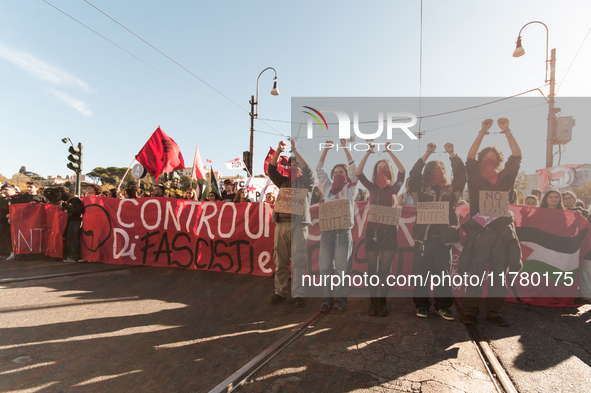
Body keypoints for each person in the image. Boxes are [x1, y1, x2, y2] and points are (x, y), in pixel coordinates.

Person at [459, 118, 523, 328]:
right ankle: (470, 312)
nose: (489, 160)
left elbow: (517, 157)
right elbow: (469, 157)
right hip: (480, 232)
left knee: (498, 276)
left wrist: (507, 131)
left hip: (501, 233)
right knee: (476, 275)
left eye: (493, 157)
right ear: (480, 161)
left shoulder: (506, 178)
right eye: (485, 157)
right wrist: (482, 132)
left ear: (499, 160)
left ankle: (494, 313)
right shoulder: (475, 178)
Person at [409, 142, 466, 321]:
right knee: (421, 273)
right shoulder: (420, 190)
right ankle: (422, 305)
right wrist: (427, 154)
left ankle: (443, 306)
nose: (438, 170)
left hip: (443, 240)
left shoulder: (451, 191)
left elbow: (462, 176)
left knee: (442, 274)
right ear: (428, 173)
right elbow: (414, 174)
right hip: (424, 239)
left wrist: (452, 154)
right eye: (434, 168)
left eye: (441, 167)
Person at [356, 142, 405, 317]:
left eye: (385, 168)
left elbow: (402, 171)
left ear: (389, 171)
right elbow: (358, 173)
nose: (382, 170)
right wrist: (368, 152)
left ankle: (383, 302)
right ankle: (373, 302)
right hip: (373, 232)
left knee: (385, 270)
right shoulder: (372, 187)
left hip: (389, 232)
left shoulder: (395, 187)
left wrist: (390, 152)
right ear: (375, 171)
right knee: (373, 269)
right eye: (379, 168)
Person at [267, 139, 315, 308]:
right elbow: (271, 170)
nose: (293, 167)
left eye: (296, 164)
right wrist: (279, 152)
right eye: (290, 164)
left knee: (298, 260)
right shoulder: (284, 182)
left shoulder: (306, 183)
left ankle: (298, 294)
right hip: (281, 225)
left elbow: (309, 170)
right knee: (280, 260)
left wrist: (295, 150)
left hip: (299, 225)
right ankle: (279, 292)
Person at [316, 139, 358, 314]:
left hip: (344, 232)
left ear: (346, 176)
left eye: (342, 172)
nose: (338, 174)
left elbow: (355, 170)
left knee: (341, 267)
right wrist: (326, 149)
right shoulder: (326, 187)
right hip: (327, 232)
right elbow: (319, 169)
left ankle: (341, 300)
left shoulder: (350, 188)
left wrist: (345, 148)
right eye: (336, 172)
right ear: (332, 175)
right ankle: (327, 299)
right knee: (325, 266)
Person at [57, 186, 85, 263]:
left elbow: (79, 210)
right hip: (75, 221)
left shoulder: (75, 200)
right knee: (72, 238)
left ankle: (73, 256)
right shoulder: (75, 200)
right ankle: (74, 255)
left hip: (74, 221)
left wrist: (68, 210)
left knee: (72, 238)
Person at [0, 184, 20, 259]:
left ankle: (13, 252)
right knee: (3, 236)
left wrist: (12, 215)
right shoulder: (4, 199)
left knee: (11, 237)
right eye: (3, 190)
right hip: (3, 220)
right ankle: (4, 252)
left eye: (6, 189)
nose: (4, 191)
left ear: (13, 190)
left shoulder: (18, 198)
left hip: (13, 221)